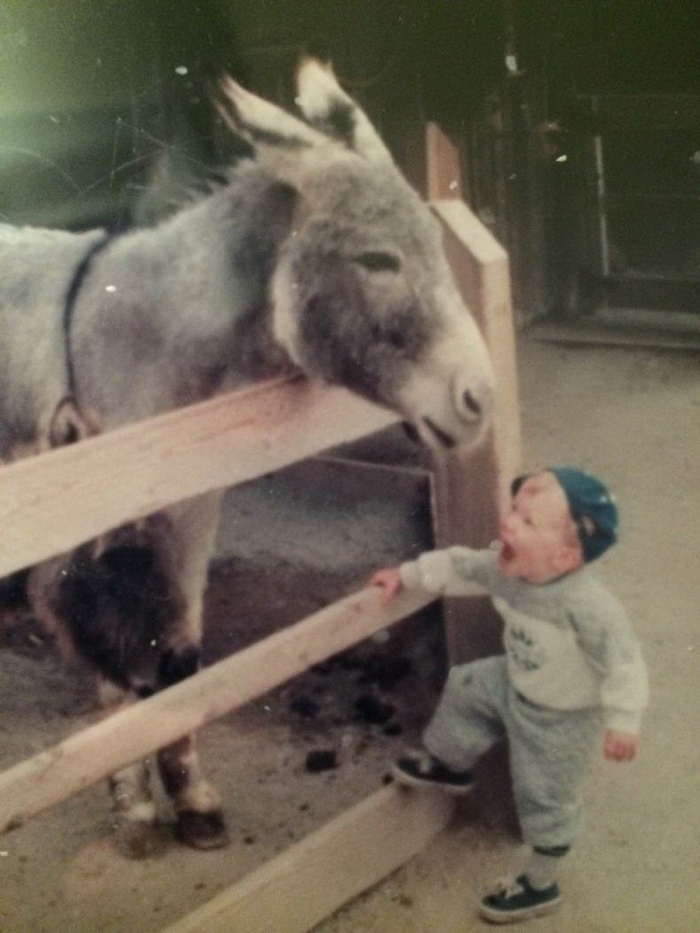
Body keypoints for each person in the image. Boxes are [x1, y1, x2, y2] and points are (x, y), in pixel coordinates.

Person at [370, 467, 648, 924]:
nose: (507, 525)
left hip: (562, 716)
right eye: (514, 511)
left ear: (564, 557)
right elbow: (460, 565)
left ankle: (541, 884)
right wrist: (406, 574)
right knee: (467, 685)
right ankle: (449, 764)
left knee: (545, 796)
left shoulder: (589, 607)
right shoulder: (507, 566)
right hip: (516, 678)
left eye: (527, 523)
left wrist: (625, 719)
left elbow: (624, 664)